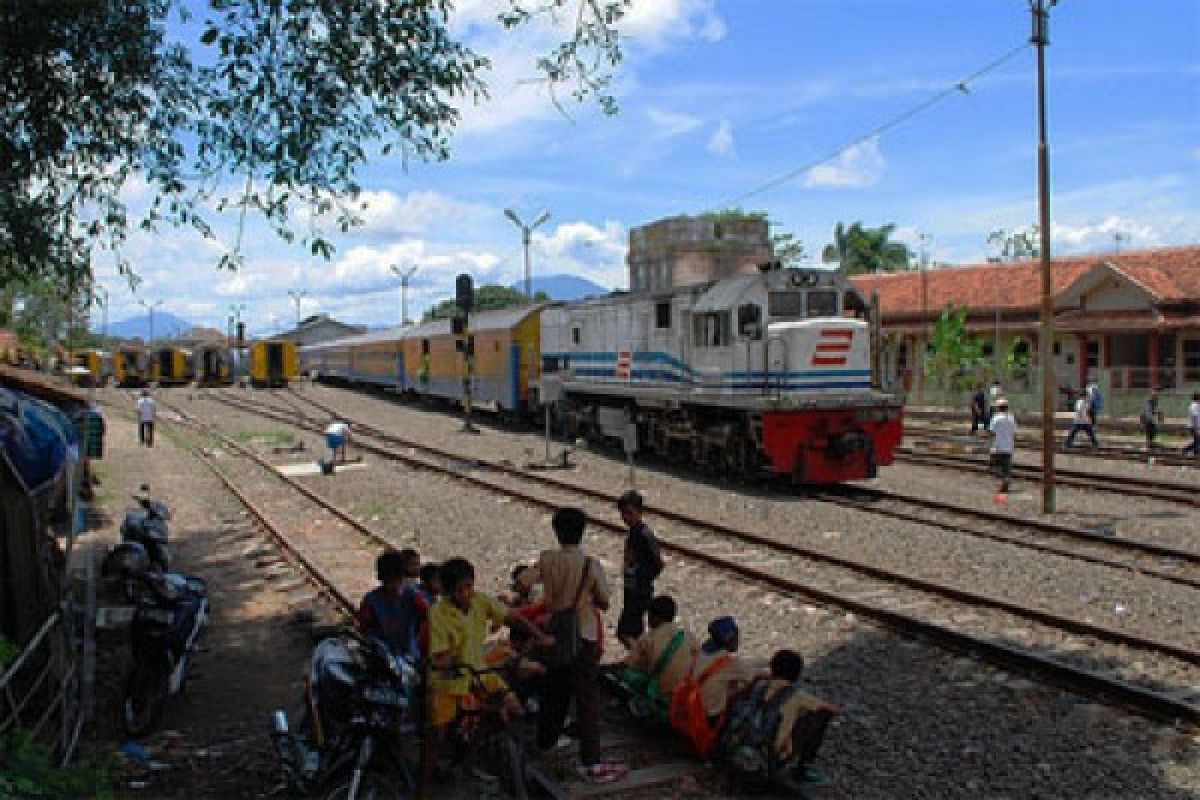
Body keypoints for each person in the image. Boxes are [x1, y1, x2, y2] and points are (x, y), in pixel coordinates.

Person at [530, 508, 628, 784]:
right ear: (582, 531)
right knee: (587, 699)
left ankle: (546, 741)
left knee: (554, 690)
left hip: (555, 634)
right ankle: (591, 761)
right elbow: (605, 601)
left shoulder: (547, 559)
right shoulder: (589, 564)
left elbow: (524, 581)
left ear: (556, 531)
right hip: (583, 636)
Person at [721, 649, 839, 793]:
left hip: (736, 748)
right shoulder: (797, 696)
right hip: (768, 758)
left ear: (772, 668)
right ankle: (803, 769)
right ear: (797, 675)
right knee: (820, 716)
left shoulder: (759, 686)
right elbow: (832, 709)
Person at [616, 595, 697, 721]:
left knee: (628, 675)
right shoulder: (688, 636)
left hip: (661, 693)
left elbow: (629, 664)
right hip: (684, 694)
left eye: (649, 616)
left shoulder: (649, 638)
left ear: (656, 617)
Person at [616, 490, 664, 650]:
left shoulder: (644, 535)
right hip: (632, 590)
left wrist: (642, 577)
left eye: (629, 513)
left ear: (640, 512)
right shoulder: (634, 533)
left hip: (639, 591)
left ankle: (640, 658)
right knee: (634, 631)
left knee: (625, 632)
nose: (625, 518)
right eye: (623, 514)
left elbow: (657, 563)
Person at [355, 550, 424, 661]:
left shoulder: (414, 597)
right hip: (381, 657)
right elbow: (363, 627)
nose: (393, 586)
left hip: (410, 656)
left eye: (395, 581)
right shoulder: (370, 601)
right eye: (389, 581)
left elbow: (427, 620)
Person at [988, 397, 1017, 493]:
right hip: (1009, 447)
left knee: (995, 467)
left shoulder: (995, 418)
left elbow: (991, 432)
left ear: (998, 408)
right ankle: (1005, 481)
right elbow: (1014, 433)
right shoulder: (1011, 419)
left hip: (998, 447)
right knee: (1007, 467)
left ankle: (1003, 482)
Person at [1184, 392, 1200, 457]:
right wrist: (1197, 428)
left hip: (1193, 426)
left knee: (1197, 441)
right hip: (1194, 427)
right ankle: (1194, 453)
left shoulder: (1193, 405)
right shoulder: (1195, 406)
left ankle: (1186, 450)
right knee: (1197, 441)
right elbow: (1196, 417)